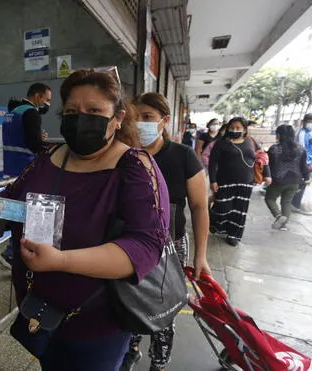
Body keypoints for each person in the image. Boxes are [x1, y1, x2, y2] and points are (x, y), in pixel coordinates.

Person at [0, 70, 169, 371]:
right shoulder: (47, 157)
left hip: (97, 325)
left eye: (94, 111)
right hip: (41, 312)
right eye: (71, 111)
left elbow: (144, 247)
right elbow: (11, 202)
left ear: (117, 118)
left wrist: (62, 260)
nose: (81, 119)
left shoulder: (135, 168)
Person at [121, 92, 211, 371]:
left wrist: (201, 256)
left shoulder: (182, 156)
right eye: (136, 118)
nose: (140, 125)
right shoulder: (123, 154)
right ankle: (129, 351)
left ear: (164, 121)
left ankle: (158, 362)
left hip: (172, 246)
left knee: (165, 308)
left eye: (147, 118)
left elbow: (199, 206)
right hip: (131, 244)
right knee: (129, 303)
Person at [0, 83, 53, 268]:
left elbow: (18, 137)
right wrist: (51, 151)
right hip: (26, 168)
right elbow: (33, 144)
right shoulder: (31, 113)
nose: (47, 104)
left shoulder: (12, 112)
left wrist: (38, 137)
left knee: (18, 211)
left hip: (10, 168)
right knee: (27, 213)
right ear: (37, 96)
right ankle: (10, 253)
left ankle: (11, 251)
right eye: (46, 100)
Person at [209, 117, 272, 246]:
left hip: (245, 182)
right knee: (223, 208)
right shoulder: (221, 143)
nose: (234, 130)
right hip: (225, 181)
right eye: (232, 127)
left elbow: (263, 157)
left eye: (238, 128)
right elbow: (212, 163)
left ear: (244, 130)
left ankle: (234, 235)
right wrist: (213, 180)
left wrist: (267, 175)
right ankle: (217, 223)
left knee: (240, 210)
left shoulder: (251, 141)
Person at [264, 125, 310, 231]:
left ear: (279, 135)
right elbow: (304, 166)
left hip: (278, 180)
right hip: (295, 180)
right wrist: (307, 178)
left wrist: (266, 177)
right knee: (287, 202)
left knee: (270, 198)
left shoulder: (274, 149)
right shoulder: (301, 149)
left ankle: (279, 216)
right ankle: (283, 226)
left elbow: (269, 165)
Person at [292, 113, 312, 214]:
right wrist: (307, 164)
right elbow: (302, 151)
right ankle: (295, 205)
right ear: (304, 122)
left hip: (309, 162)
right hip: (304, 163)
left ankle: (295, 204)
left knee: (303, 184)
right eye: (310, 122)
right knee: (302, 183)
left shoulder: (310, 133)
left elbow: (311, 149)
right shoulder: (302, 134)